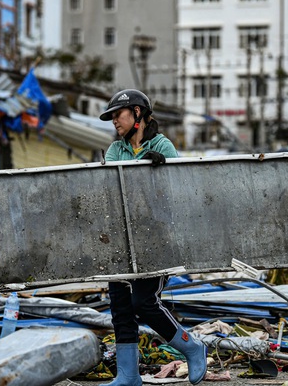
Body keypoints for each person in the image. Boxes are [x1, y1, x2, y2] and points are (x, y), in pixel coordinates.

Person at [99, 89, 207, 386]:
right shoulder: (115, 150)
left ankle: (192, 346)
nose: (113, 122)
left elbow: (178, 191)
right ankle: (128, 375)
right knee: (121, 306)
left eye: (117, 115)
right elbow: (110, 191)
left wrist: (161, 172)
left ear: (137, 114)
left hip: (156, 238)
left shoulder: (163, 145)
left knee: (143, 302)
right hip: (122, 239)